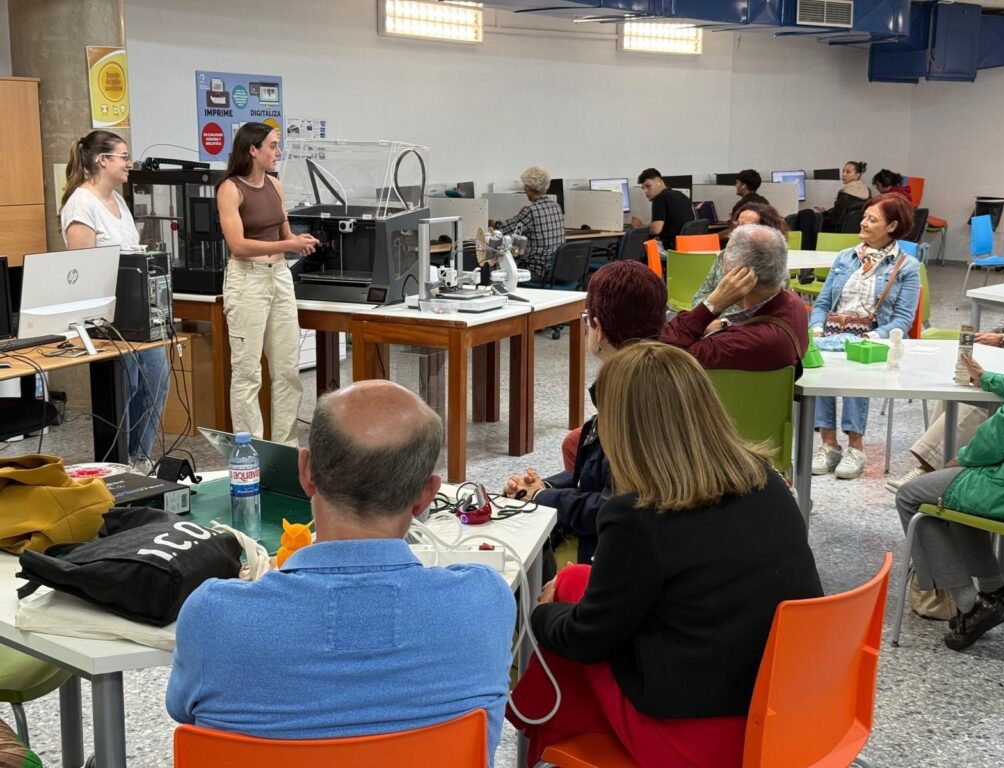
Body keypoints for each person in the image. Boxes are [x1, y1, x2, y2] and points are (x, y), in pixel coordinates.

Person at [507, 341, 822, 768]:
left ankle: (538, 731)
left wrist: (541, 615)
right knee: (575, 580)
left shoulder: (637, 517)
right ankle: (541, 726)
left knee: (564, 626)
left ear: (624, 430)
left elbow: (588, 639)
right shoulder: (767, 481)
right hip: (789, 711)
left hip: (700, 737)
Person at [167, 380, 516, 764]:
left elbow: (182, 710)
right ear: (426, 495)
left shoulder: (212, 616)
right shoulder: (486, 603)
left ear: (305, 472)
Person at [503, 261, 666, 567]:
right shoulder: (662, 380)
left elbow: (613, 507)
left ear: (598, 329)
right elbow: (601, 478)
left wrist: (541, 499)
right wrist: (545, 488)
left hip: (613, 558)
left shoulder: (627, 406)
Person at [895, 353, 1004, 651]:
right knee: (954, 495)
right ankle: (996, 593)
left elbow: (998, 438)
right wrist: (988, 378)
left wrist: (962, 457)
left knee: (909, 496)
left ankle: (969, 605)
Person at [60, 130, 170, 472]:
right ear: (101, 160)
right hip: (108, 319)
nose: (129, 163)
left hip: (137, 312)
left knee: (157, 379)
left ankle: (139, 459)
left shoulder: (118, 201)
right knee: (127, 387)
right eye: (123, 156)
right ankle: (120, 464)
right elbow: (83, 268)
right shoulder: (81, 203)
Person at [216, 122, 318, 446]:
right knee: (248, 373)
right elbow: (238, 246)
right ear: (252, 150)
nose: (278, 152)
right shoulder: (230, 189)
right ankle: (251, 453)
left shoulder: (275, 185)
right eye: (272, 146)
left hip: (280, 276)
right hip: (247, 279)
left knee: (287, 370)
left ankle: (285, 449)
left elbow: (283, 232)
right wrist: (287, 245)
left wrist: (298, 240)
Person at [810, 193, 920, 480]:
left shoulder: (907, 267)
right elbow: (822, 304)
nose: (863, 223)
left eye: (872, 219)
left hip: (872, 339)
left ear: (892, 226)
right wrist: (817, 328)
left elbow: (903, 320)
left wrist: (872, 337)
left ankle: (856, 448)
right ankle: (828, 444)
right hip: (831, 334)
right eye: (864, 217)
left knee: (856, 370)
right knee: (817, 366)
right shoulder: (845, 258)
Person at [887, 292, 1004, 493]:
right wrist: (991, 334)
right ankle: (934, 465)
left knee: (978, 402)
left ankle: (929, 468)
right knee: (959, 388)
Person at [661, 224, 809, 373]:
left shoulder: (739, 344)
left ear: (738, 274)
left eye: (723, 260)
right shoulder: (793, 302)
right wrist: (723, 323)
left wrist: (711, 305)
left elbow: (664, 356)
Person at [693, 201, 789, 311]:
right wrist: (705, 314)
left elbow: (771, 307)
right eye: (737, 225)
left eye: (744, 227)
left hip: (745, 320)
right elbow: (700, 295)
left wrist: (722, 319)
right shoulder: (724, 256)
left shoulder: (771, 264)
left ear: (765, 232)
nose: (736, 230)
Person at [492, 165, 565, 283]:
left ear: (528, 189)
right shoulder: (556, 206)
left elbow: (505, 230)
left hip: (538, 271)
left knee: (497, 272)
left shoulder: (531, 211)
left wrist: (493, 223)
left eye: (525, 188)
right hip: (558, 269)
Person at [630, 168, 694, 252]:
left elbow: (655, 230)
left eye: (648, 186)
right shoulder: (681, 195)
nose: (645, 191)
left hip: (671, 250)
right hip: (688, 248)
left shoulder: (660, 198)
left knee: (634, 248)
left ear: (658, 182)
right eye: (643, 188)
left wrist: (638, 227)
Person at [816, 160, 871, 232]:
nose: (844, 174)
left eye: (848, 172)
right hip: (858, 232)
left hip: (838, 232)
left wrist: (823, 214)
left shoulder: (845, 194)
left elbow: (834, 220)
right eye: (843, 171)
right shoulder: (867, 191)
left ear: (857, 175)